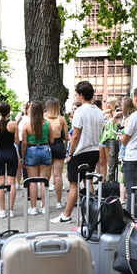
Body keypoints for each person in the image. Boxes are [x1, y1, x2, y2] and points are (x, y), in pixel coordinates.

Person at [51, 81, 103, 224]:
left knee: (74, 184)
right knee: (88, 181)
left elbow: (75, 135)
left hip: (81, 152)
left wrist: (70, 153)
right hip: (94, 150)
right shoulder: (99, 111)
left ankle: (66, 215)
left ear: (81, 95)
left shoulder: (80, 111)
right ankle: (90, 214)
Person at [21, 101, 53, 215]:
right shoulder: (47, 124)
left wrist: (23, 157)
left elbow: (24, 143)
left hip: (31, 150)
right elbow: (51, 140)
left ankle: (33, 207)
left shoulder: (26, 124)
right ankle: (44, 207)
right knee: (44, 181)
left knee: (33, 181)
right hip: (45, 149)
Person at [0, 101, 19, 217]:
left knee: (0, 183)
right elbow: (17, 141)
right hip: (11, 153)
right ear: (9, 112)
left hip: (0, 154)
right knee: (11, 183)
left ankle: (2, 210)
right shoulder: (13, 124)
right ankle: (10, 210)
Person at [45, 97, 68, 209]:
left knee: (45, 176)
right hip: (58, 144)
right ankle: (59, 202)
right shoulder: (61, 119)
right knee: (58, 175)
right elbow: (66, 137)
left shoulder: (44, 119)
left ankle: (44, 203)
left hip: (46, 145)